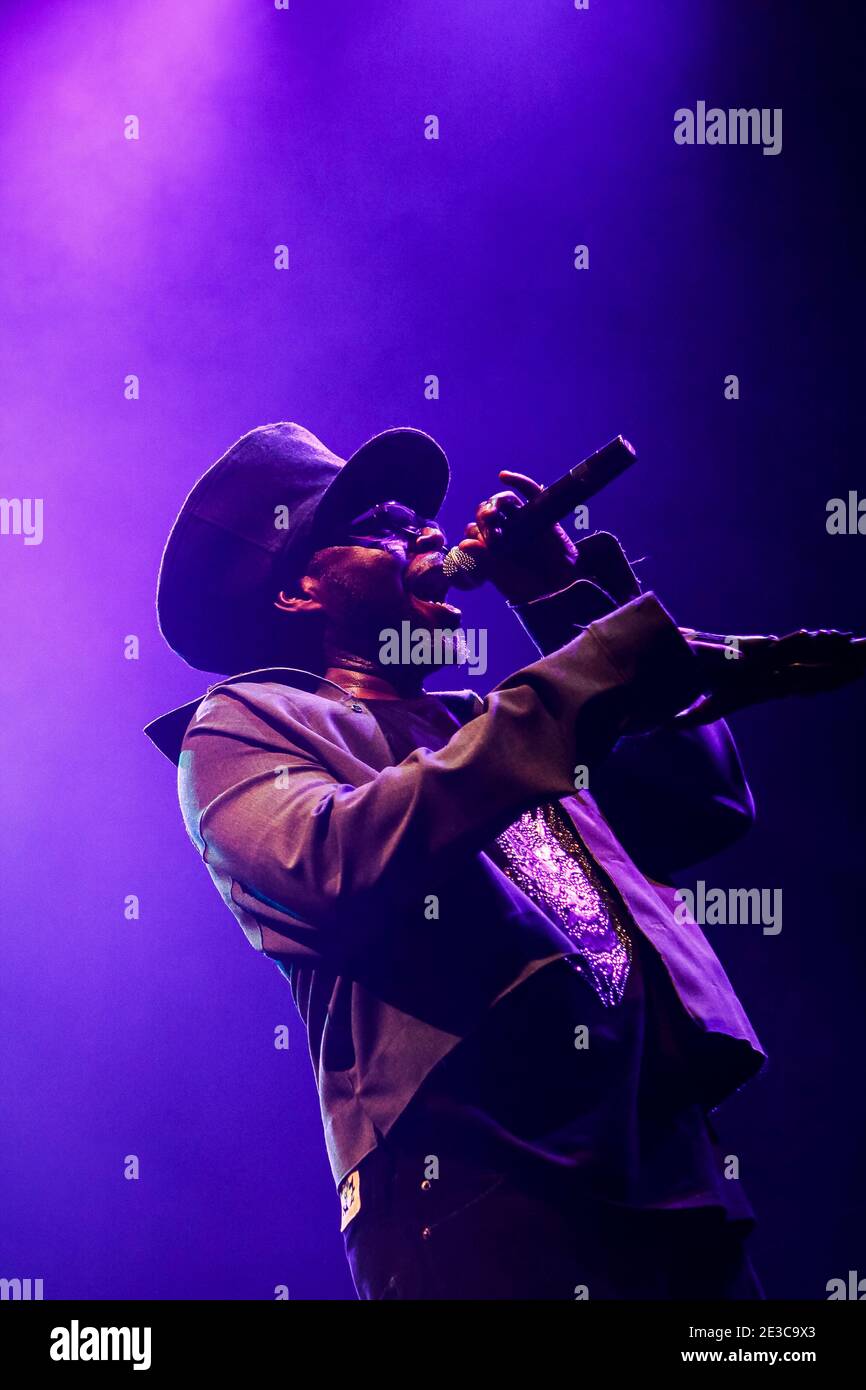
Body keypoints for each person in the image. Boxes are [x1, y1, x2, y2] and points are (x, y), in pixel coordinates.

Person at [145, 421, 865, 1300]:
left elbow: (701, 801)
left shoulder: (488, 726)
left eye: (422, 519)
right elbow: (326, 866)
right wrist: (568, 685)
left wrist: (564, 600)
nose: (429, 535)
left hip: (659, 1156)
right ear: (301, 588)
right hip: (477, 1175)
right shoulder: (242, 725)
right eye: (383, 525)